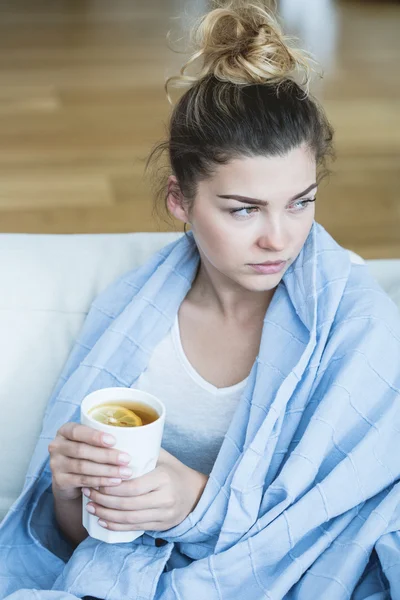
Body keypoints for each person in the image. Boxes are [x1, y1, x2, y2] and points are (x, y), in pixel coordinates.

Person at [1, 1, 399, 599]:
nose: (280, 238)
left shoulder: (362, 330)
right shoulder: (131, 316)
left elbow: (344, 519)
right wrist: (68, 491)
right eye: (244, 209)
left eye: (300, 201)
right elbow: (76, 543)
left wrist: (197, 501)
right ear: (179, 201)